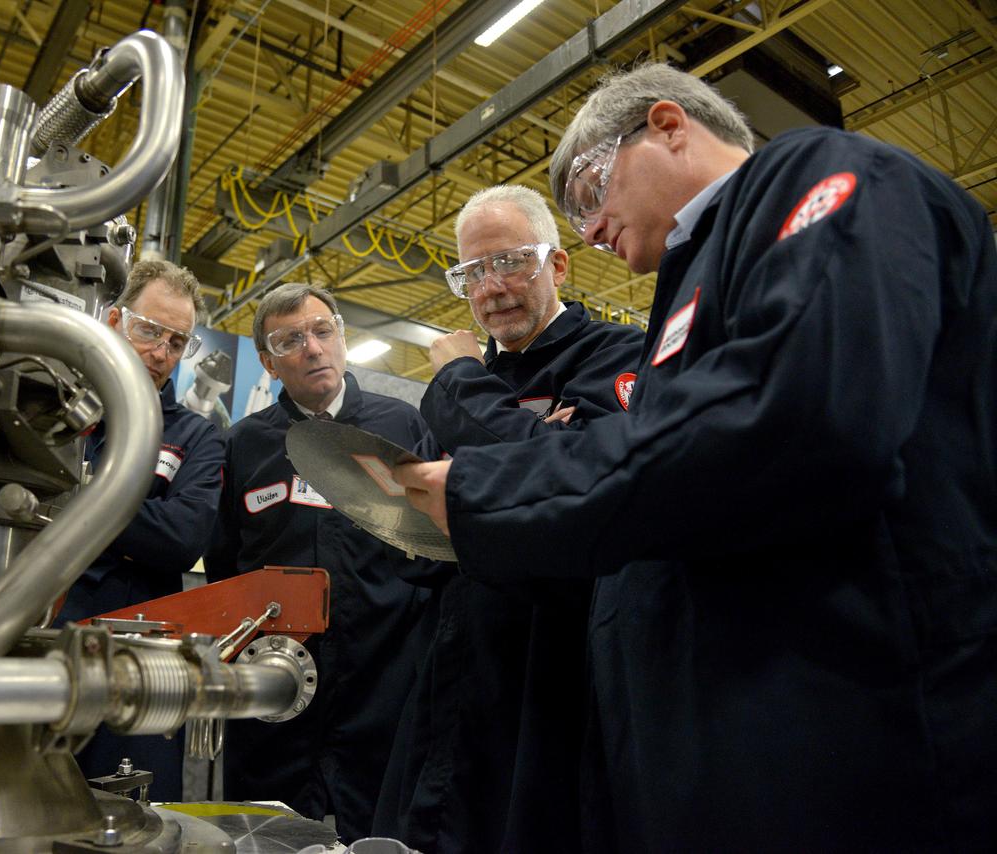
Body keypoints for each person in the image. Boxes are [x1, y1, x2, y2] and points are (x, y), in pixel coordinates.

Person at [394, 63, 997, 850]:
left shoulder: (824, 175)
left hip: (856, 735)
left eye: (589, 191)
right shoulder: (695, 287)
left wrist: (494, 489)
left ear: (669, 126)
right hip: (728, 751)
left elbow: (793, 411)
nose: (590, 227)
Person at [374, 185, 643, 853]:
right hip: (458, 658)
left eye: (512, 261)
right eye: (472, 272)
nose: (491, 288)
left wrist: (462, 378)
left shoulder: (615, 356)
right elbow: (490, 486)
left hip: (555, 668)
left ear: (558, 265)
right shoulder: (477, 386)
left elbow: (565, 479)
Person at [204, 283, 431, 842]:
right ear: (268, 363)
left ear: (342, 338)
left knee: (384, 831)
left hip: (383, 681)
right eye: (291, 340)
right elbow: (225, 561)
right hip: (275, 689)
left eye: (323, 331)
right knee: (262, 832)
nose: (312, 348)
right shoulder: (245, 446)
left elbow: (435, 553)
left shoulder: (401, 428)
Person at [57, 258, 225, 801]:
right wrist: (133, 520)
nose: (161, 352)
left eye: (177, 341)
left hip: (138, 661)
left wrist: (70, 502)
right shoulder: (58, 416)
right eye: (148, 330)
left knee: (133, 816)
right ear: (112, 321)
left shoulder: (196, 437)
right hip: (36, 645)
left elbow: (182, 538)